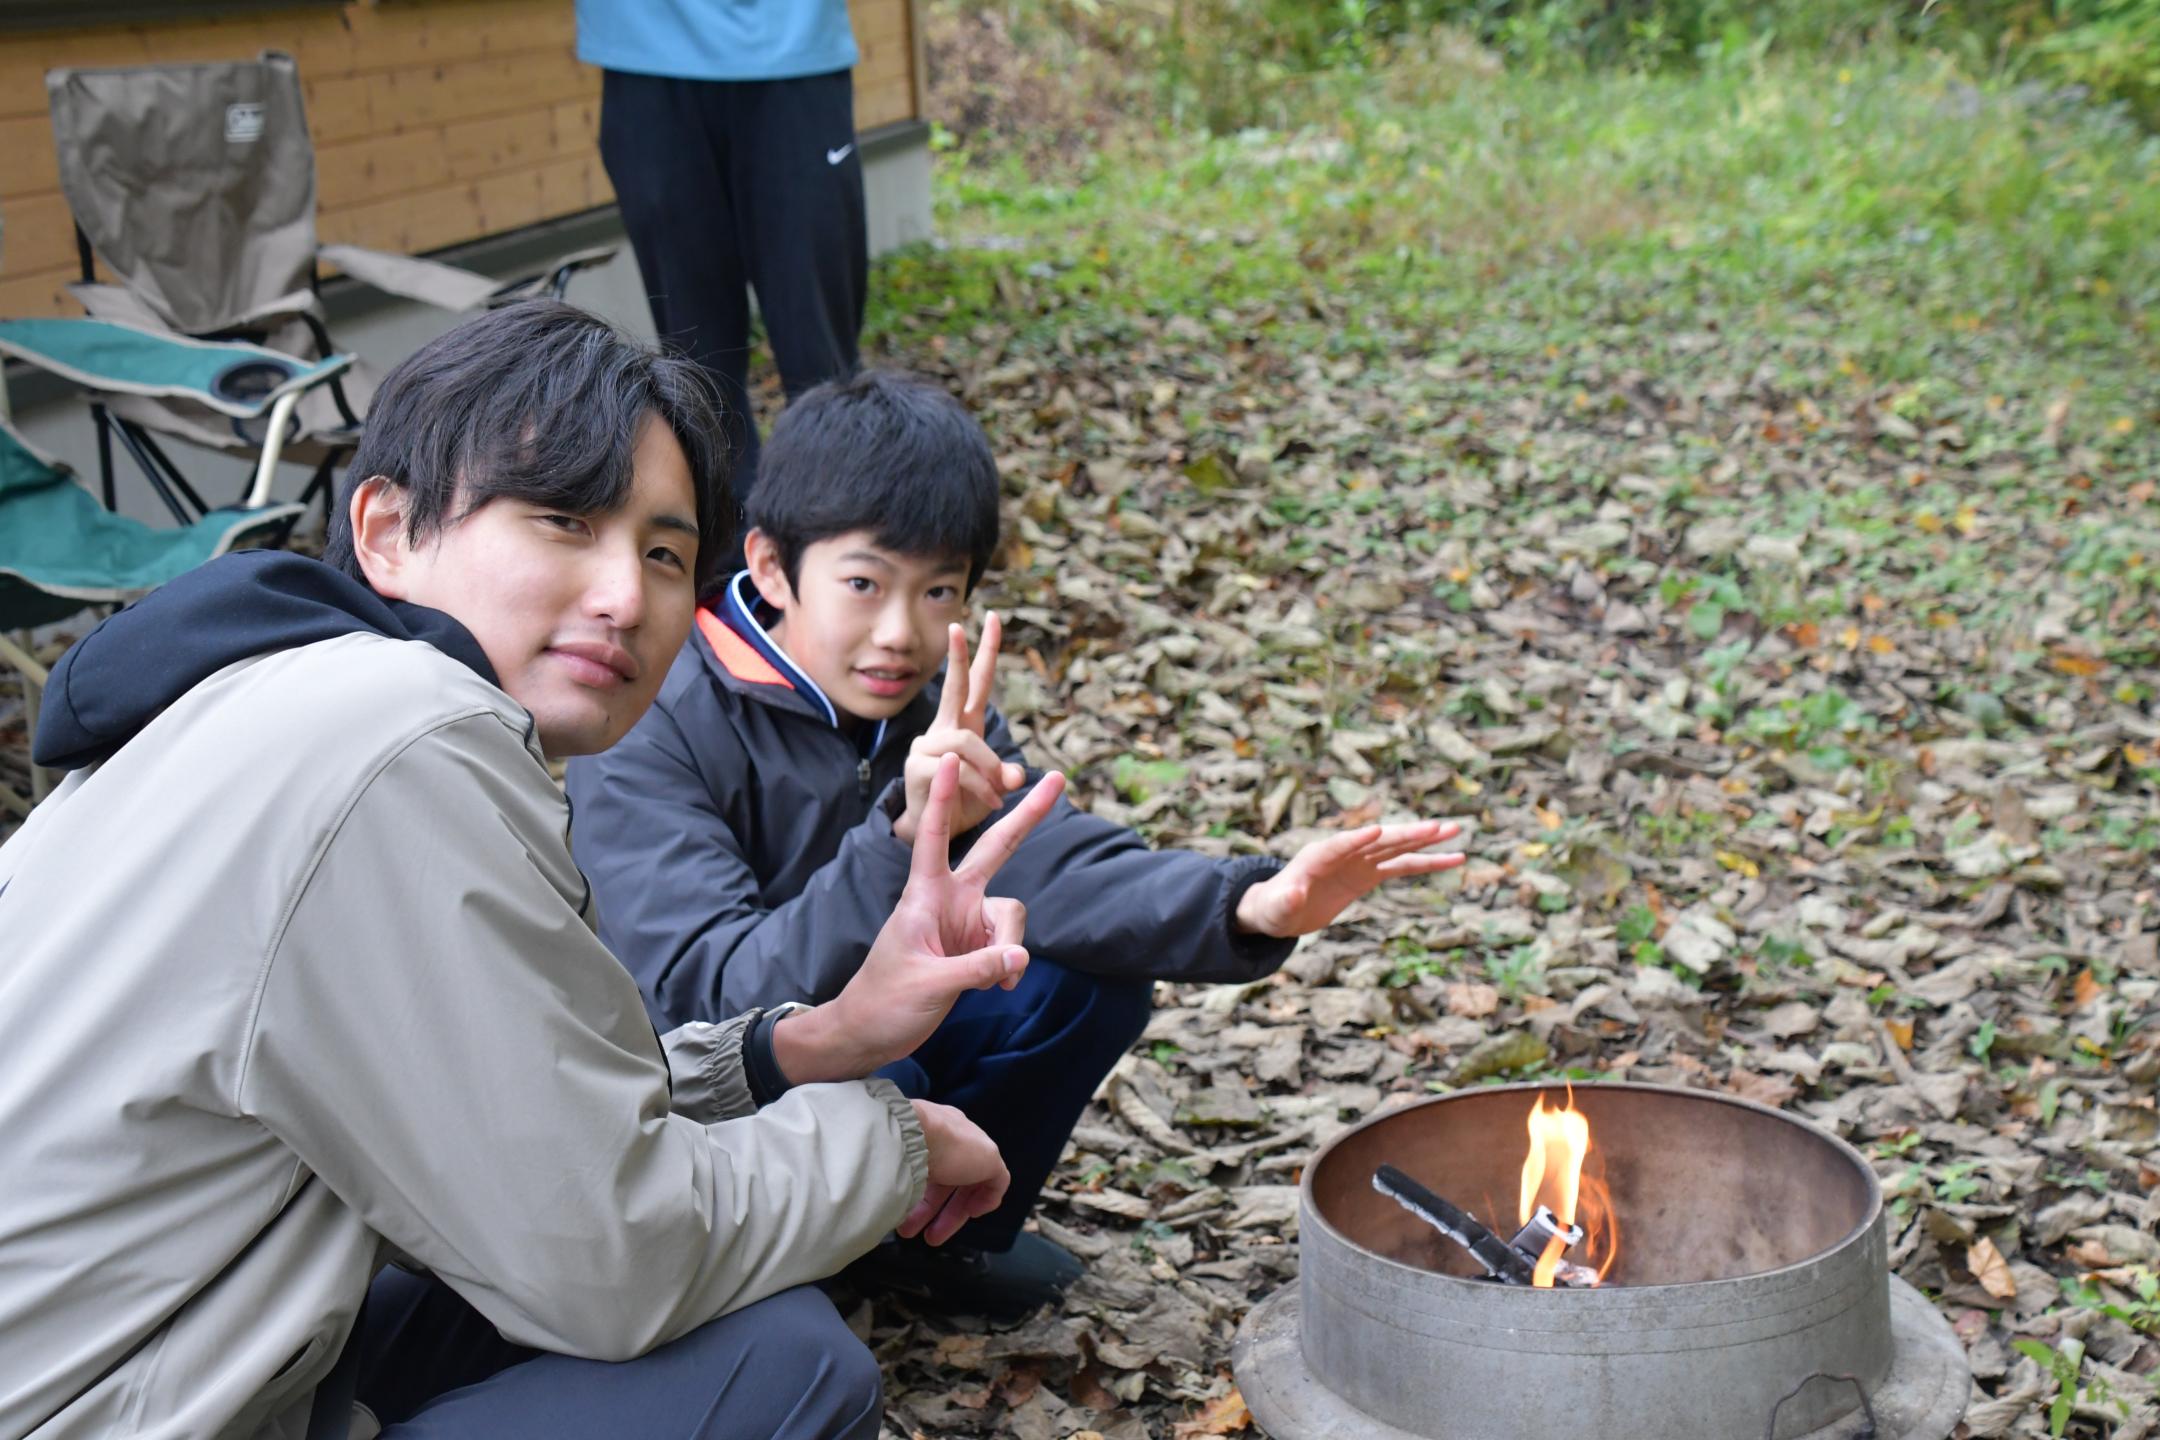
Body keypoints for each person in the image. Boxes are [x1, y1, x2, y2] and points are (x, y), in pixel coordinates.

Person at [0, 304, 1062, 1440]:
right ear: (389, 528)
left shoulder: (276, 695)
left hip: (155, 1337)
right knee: (784, 1370)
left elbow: (509, 1103)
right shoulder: (405, 737)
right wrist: (891, 1145)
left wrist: (806, 1043)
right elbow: (611, 1254)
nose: (624, 595)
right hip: (95, 1405)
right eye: (562, 519)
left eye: (662, 552)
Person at [564, 368, 1467, 1318]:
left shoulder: (931, 699)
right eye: (865, 583)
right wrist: (903, 840)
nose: (900, 633)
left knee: (1080, 982)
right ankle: (809, 1252)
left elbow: (1046, 855)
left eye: (939, 591)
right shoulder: (659, 717)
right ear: (775, 565)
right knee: (891, 1070)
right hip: (719, 1083)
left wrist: (1250, 902)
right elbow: (708, 995)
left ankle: (935, 1244)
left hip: (872, 1023)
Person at [577, 0, 866, 504]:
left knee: (823, 360)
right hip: (643, 52)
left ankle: (841, 533)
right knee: (696, 362)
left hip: (795, 52)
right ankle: (729, 558)